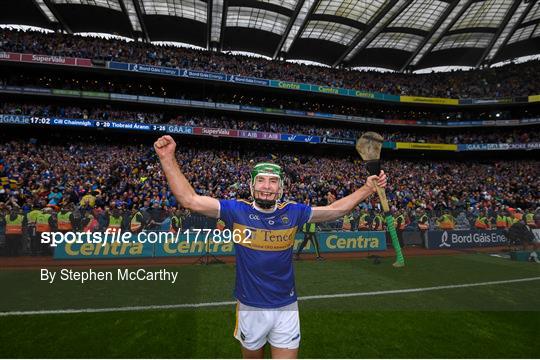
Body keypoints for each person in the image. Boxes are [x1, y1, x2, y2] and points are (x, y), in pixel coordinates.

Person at [154, 135, 386, 359]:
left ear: (281, 187)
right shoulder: (236, 210)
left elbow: (336, 210)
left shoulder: (293, 211)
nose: (267, 186)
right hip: (250, 307)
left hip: (286, 306)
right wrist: (167, 159)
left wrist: (367, 189)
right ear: (252, 185)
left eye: (273, 181)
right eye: (261, 180)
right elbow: (189, 199)